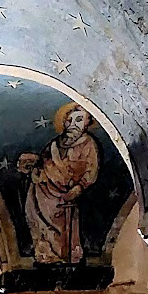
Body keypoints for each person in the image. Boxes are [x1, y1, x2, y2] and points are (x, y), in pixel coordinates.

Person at [17, 103, 100, 264]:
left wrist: (79, 187)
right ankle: (46, 254)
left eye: (79, 119)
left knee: (62, 229)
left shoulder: (88, 144)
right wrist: (32, 165)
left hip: (67, 193)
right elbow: (44, 162)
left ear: (87, 123)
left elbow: (91, 169)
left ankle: (63, 256)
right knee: (38, 219)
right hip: (43, 191)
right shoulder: (55, 144)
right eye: (70, 119)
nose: (73, 124)